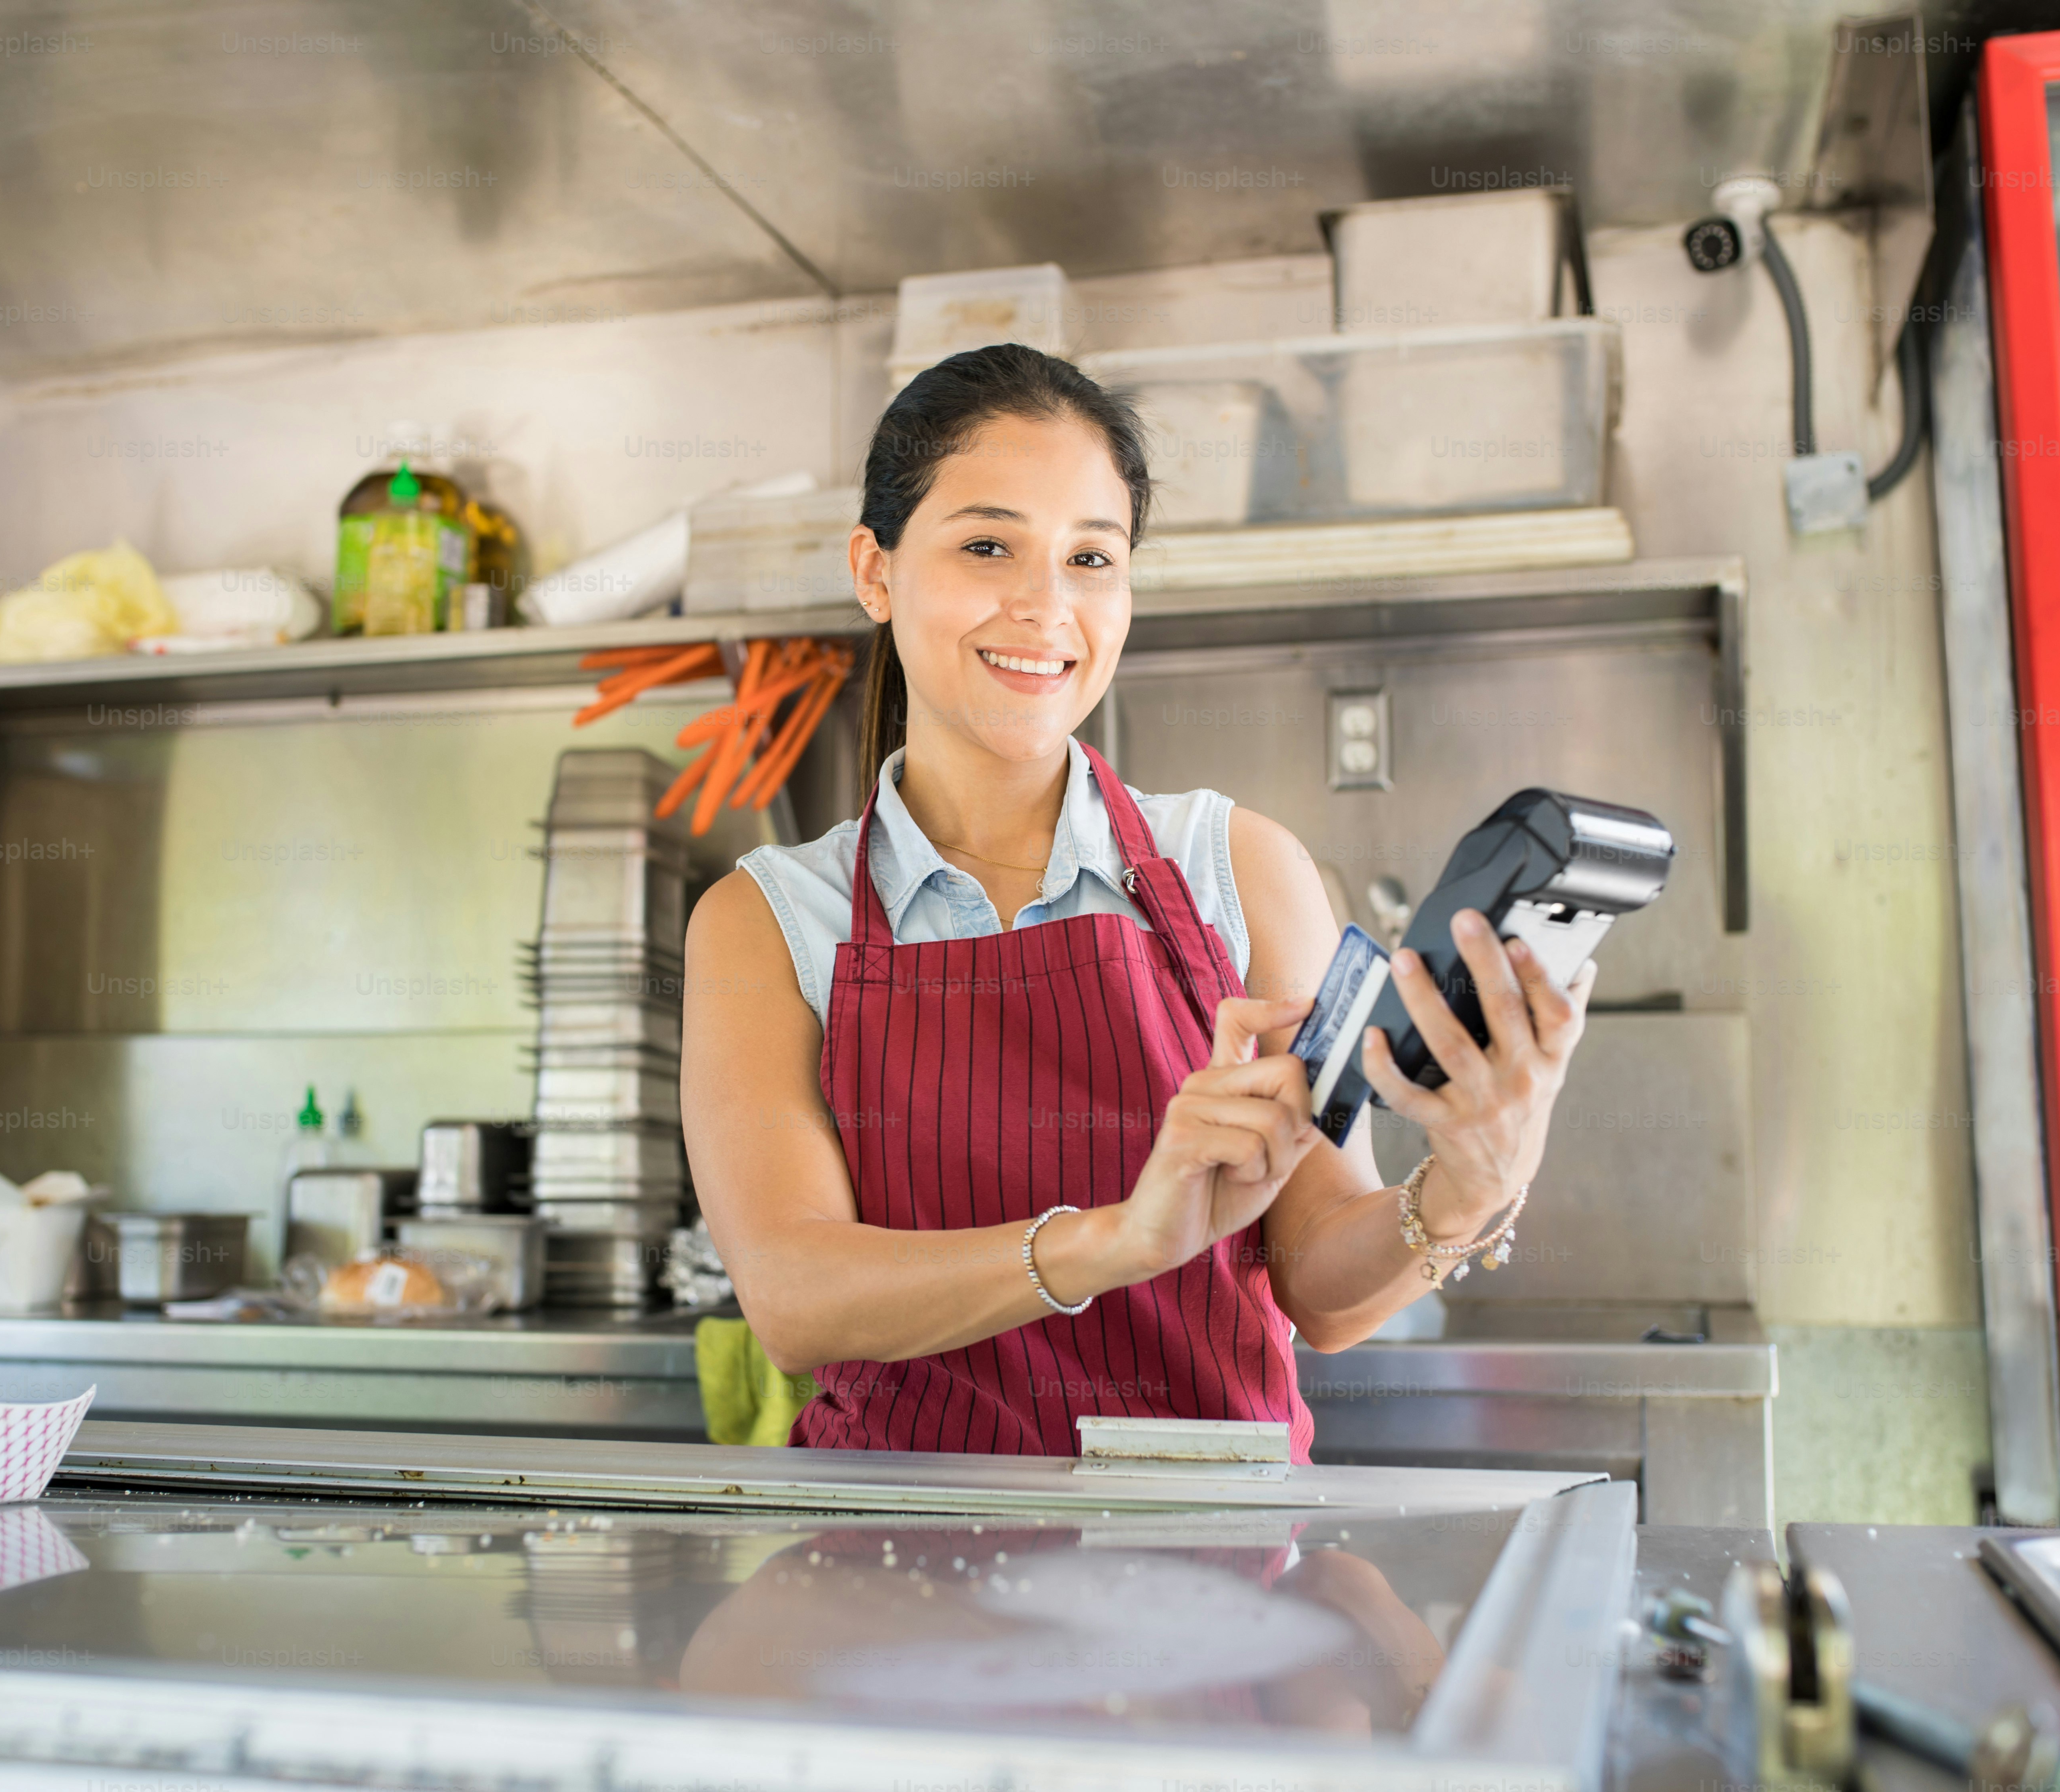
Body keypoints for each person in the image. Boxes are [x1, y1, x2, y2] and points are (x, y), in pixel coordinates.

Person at [681, 344, 1594, 1460]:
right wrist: (1118, 1241)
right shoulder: (769, 918)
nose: (1044, 606)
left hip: (1215, 1558)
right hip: (892, 1553)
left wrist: (1467, 1186)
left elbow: (1323, 1291)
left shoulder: (1241, 867)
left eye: (1091, 558)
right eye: (987, 546)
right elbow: (794, 1297)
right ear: (875, 570)